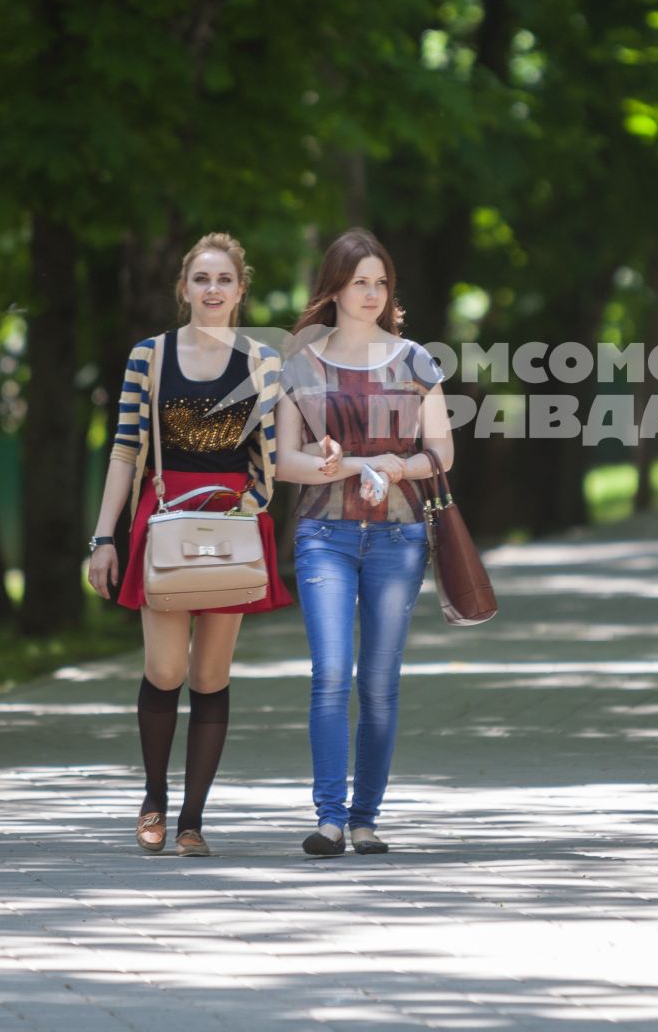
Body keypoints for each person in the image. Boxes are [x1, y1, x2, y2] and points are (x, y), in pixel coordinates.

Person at [86, 232, 294, 858]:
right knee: (165, 668)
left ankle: (192, 821)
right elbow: (125, 451)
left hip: (233, 519)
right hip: (163, 519)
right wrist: (104, 537)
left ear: (240, 290)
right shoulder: (149, 357)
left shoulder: (264, 362)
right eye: (200, 279)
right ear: (184, 289)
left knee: (210, 674)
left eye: (223, 280)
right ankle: (154, 796)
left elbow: (278, 454)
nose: (212, 289)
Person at [275, 228, 453, 858]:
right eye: (360, 282)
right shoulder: (303, 365)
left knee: (379, 680)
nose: (372, 293)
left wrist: (396, 465)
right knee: (331, 674)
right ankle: (328, 818)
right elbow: (284, 462)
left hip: (398, 537)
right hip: (323, 535)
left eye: (381, 282)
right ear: (335, 288)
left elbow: (441, 454)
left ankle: (365, 819)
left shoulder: (416, 361)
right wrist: (343, 466)